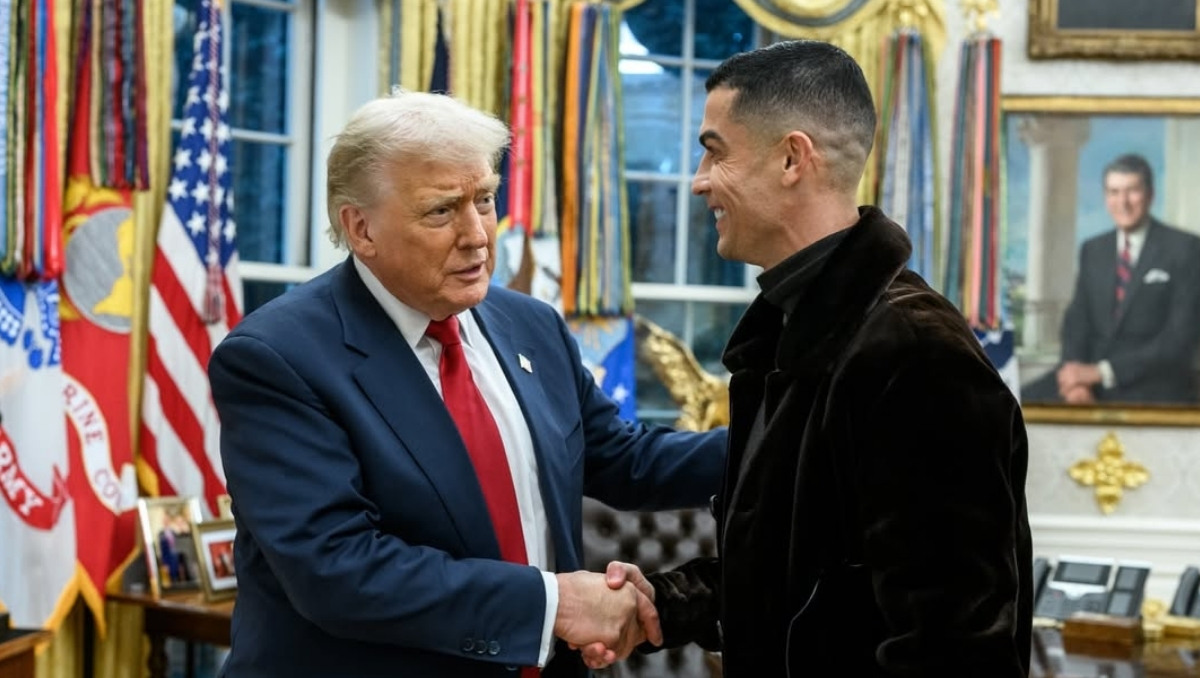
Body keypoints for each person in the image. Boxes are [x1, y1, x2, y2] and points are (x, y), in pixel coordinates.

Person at [208, 91, 726, 677]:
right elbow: (338, 569)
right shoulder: (277, 357)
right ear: (361, 228)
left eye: (485, 200)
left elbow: (624, 458)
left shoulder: (529, 324)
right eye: (442, 211)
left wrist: (784, 438)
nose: (479, 234)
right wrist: (554, 604)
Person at [591, 40, 1033, 676]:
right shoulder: (793, 335)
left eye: (714, 152)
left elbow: (952, 644)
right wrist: (666, 603)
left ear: (792, 158)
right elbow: (797, 581)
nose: (698, 181)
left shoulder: (914, 351)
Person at [1027, 153, 1200, 404]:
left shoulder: (1185, 248)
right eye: (1114, 192)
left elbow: (1179, 338)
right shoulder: (1093, 249)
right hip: (1088, 380)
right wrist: (1073, 379)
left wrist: (1102, 372)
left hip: (1153, 385)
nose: (1123, 202)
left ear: (1150, 195)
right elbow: (1077, 321)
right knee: (1010, 405)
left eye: (1132, 191)